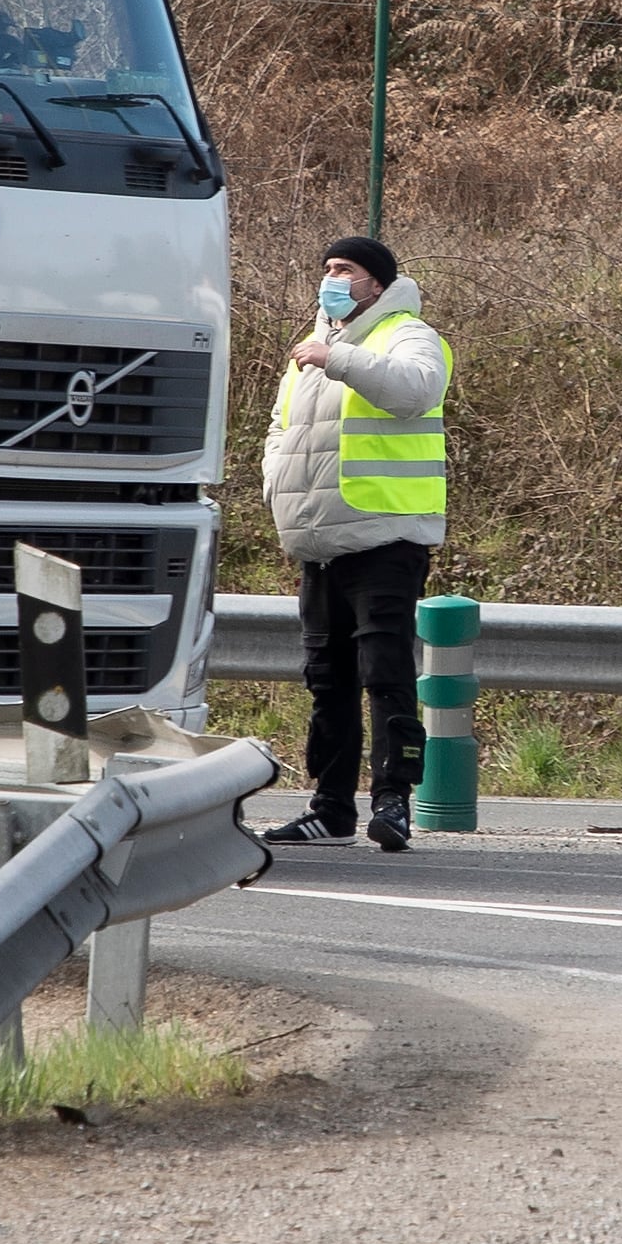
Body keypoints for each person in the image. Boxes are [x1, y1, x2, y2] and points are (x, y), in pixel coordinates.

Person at [258, 235, 452, 851]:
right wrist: (274, 485)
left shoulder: (407, 333)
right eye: (326, 268)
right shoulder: (312, 346)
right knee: (327, 678)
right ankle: (331, 808)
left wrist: (336, 359)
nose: (331, 279)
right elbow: (280, 429)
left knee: (384, 672)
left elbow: (416, 391)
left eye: (344, 269)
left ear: (376, 283)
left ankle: (394, 800)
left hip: (386, 535)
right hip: (320, 540)